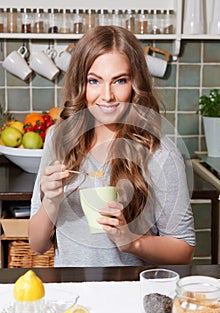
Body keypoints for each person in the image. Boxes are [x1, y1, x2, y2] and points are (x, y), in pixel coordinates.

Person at [29, 25, 195, 267]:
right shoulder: (59, 139)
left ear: (135, 84)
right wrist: (51, 201)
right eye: (94, 81)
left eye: (119, 81)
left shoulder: (160, 153)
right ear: (81, 85)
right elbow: (37, 244)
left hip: (129, 294)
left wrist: (130, 241)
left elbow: (184, 249)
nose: (106, 96)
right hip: (71, 295)